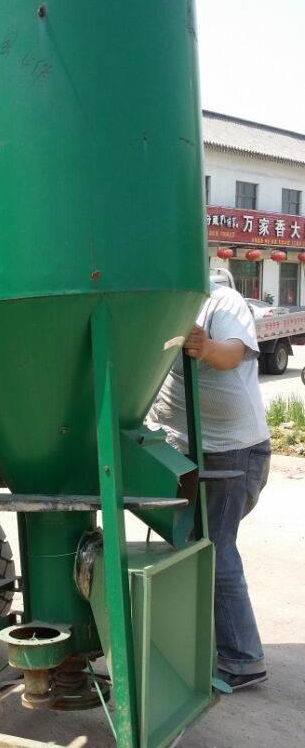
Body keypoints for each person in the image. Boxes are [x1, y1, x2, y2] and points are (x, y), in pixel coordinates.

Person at [148, 279, 270, 691]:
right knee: (194, 543)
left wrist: (206, 347)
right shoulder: (156, 305)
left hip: (233, 451)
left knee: (215, 546)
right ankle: (205, 643)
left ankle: (242, 659)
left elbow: (233, 353)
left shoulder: (222, 299)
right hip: (184, 449)